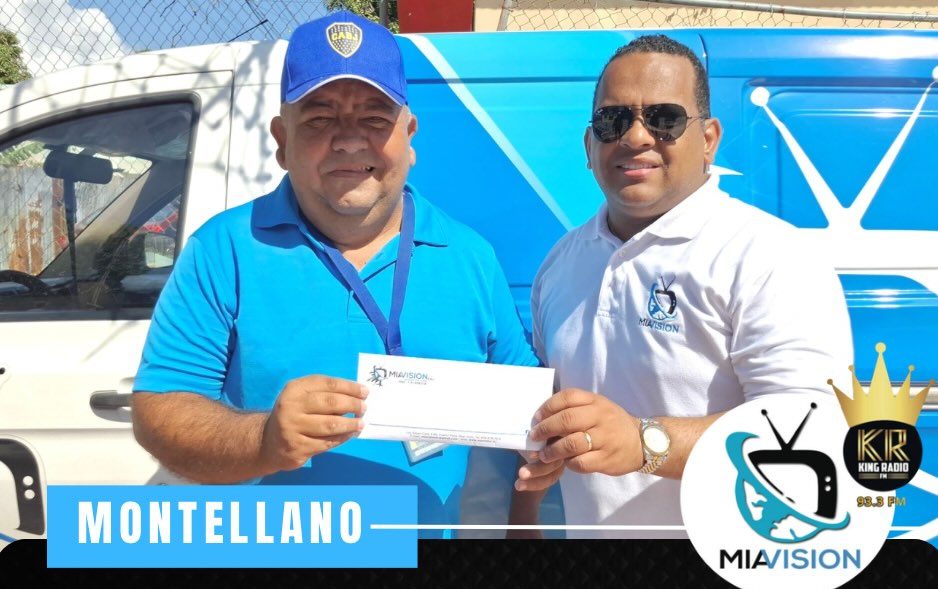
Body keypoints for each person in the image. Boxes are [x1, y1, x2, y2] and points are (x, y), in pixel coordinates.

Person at [131, 11, 538, 539]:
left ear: (409, 135)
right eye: (320, 119)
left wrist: (557, 434)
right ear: (282, 141)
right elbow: (160, 410)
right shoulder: (223, 248)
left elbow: (525, 410)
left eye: (375, 117)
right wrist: (263, 440)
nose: (349, 141)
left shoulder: (471, 256)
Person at [508, 35, 853, 538]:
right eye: (612, 120)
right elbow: (548, 426)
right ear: (588, 145)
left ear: (709, 139)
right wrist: (523, 520)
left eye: (664, 118)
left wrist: (645, 442)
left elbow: (811, 432)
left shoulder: (770, 255)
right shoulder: (560, 264)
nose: (636, 137)